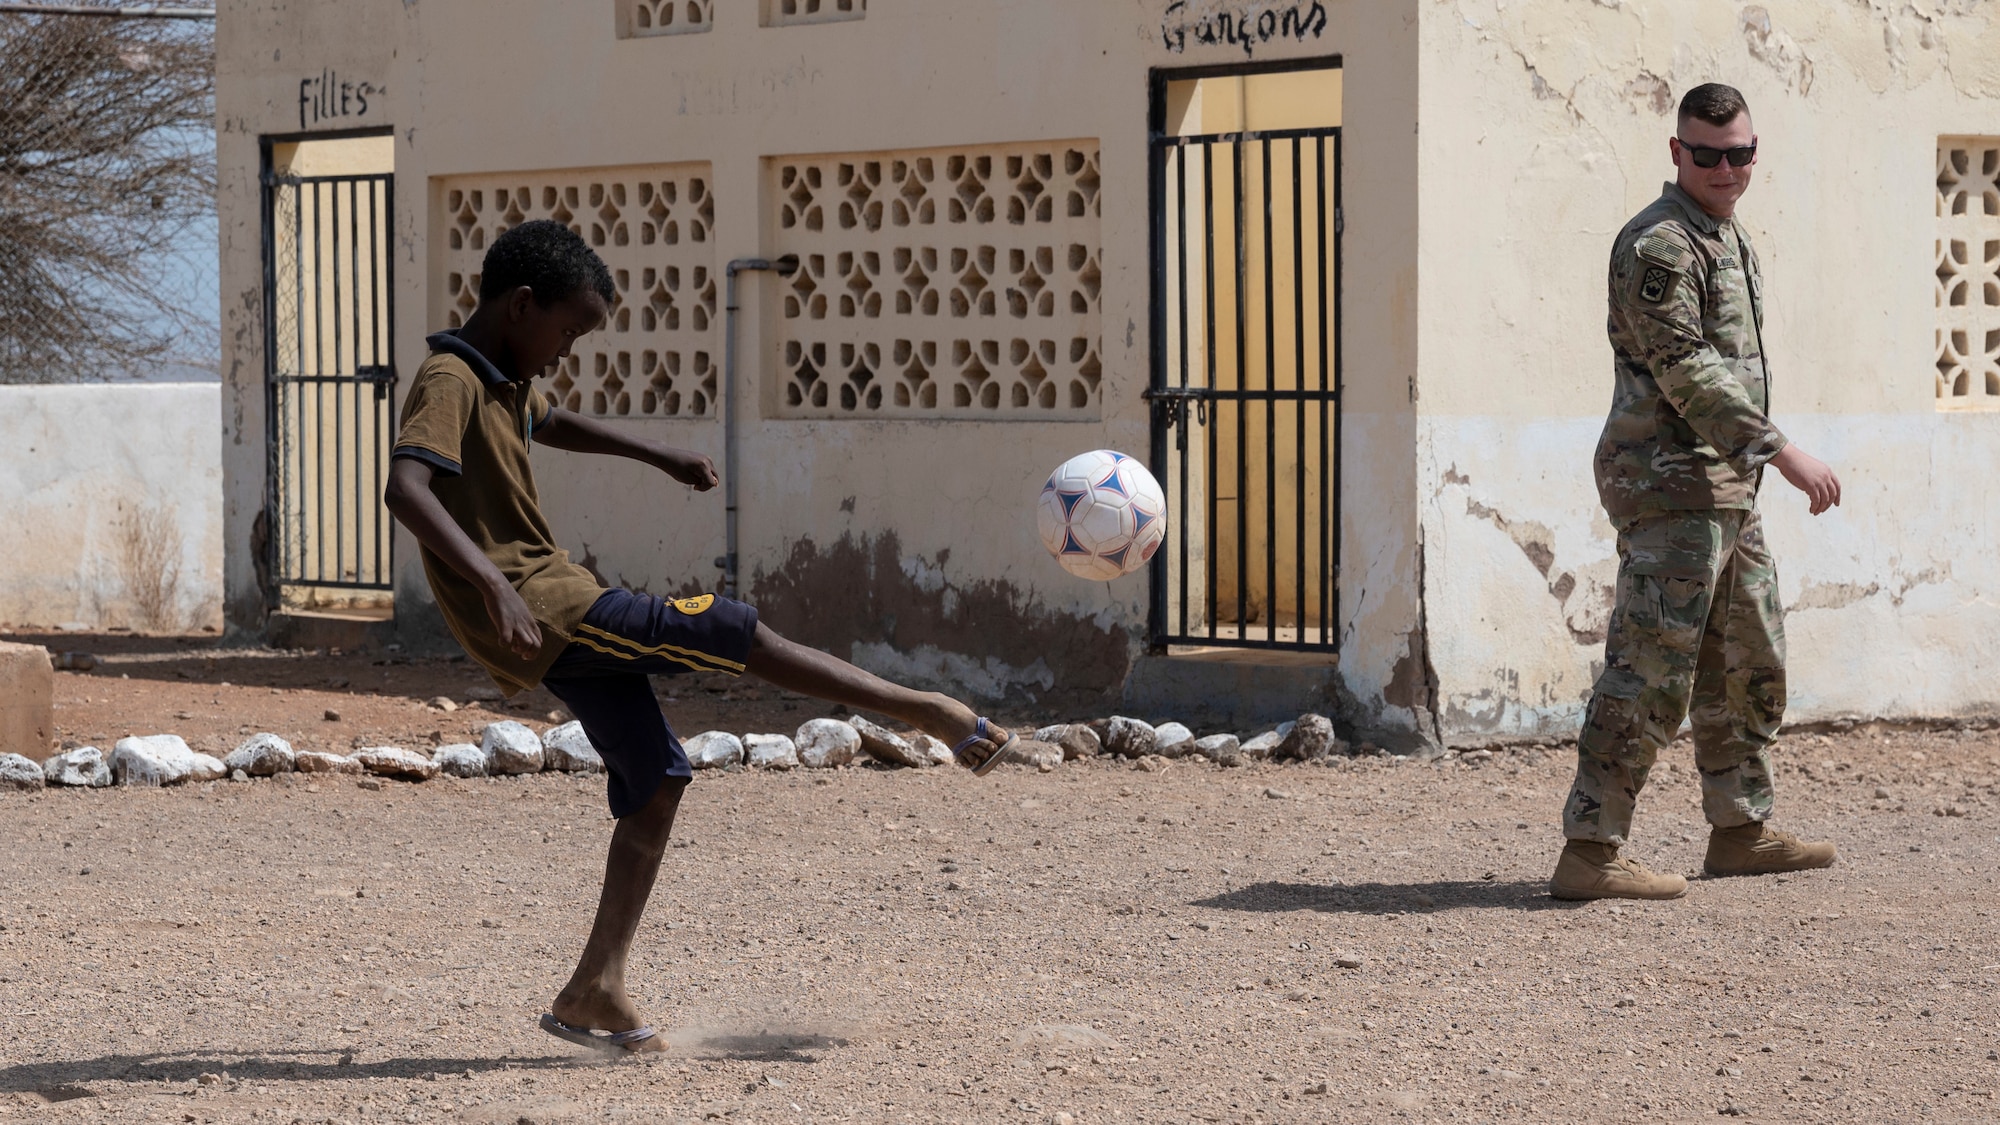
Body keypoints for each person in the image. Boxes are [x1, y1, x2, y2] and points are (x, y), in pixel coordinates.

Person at [383, 218, 1018, 1051]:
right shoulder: (449, 377)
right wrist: (496, 584)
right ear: (521, 306)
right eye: (568, 330)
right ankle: (923, 708)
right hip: (542, 605)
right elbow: (406, 487)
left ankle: (595, 986)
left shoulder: (502, 374)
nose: (568, 348)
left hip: (548, 607)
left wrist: (658, 454)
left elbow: (555, 418)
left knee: (656, 777)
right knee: (720, 626)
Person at [1551, 83, 1841, 901]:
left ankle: (1741, 828)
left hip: (1725, 487)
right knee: (1651, 666)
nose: (1725, 168)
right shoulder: (1662, 246)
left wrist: (1753, 464)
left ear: (1754, 153)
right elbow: (1688, 368)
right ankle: (1592, 847)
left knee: (1745, 654)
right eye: (1706, 153)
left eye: (1739, 153)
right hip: (1669, 483)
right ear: (1675, 151)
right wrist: (1781, 449)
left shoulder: (1724, 234)